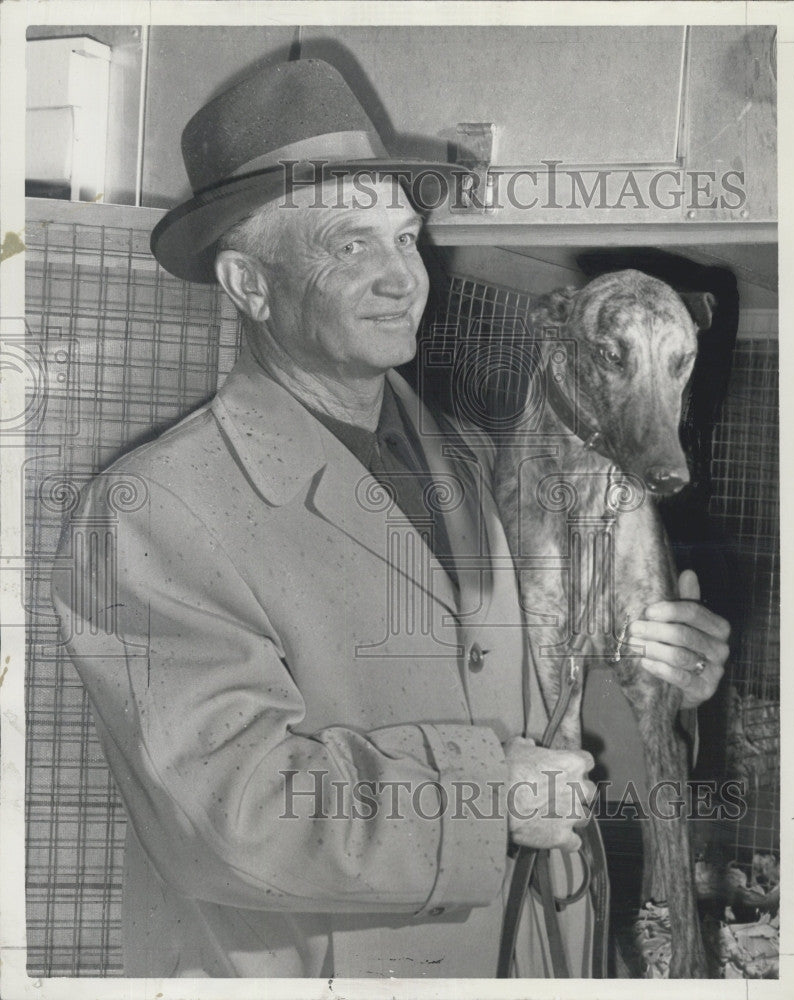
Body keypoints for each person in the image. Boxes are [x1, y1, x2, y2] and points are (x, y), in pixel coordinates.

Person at [51, 58, 729, 979]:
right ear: (249, 284)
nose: (400, 277)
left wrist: (654, 673)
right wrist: (489, 804)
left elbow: (531, 700)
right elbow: (231, 810)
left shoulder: (468, 466)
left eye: (405, 239)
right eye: (348, 245)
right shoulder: (153, 511)